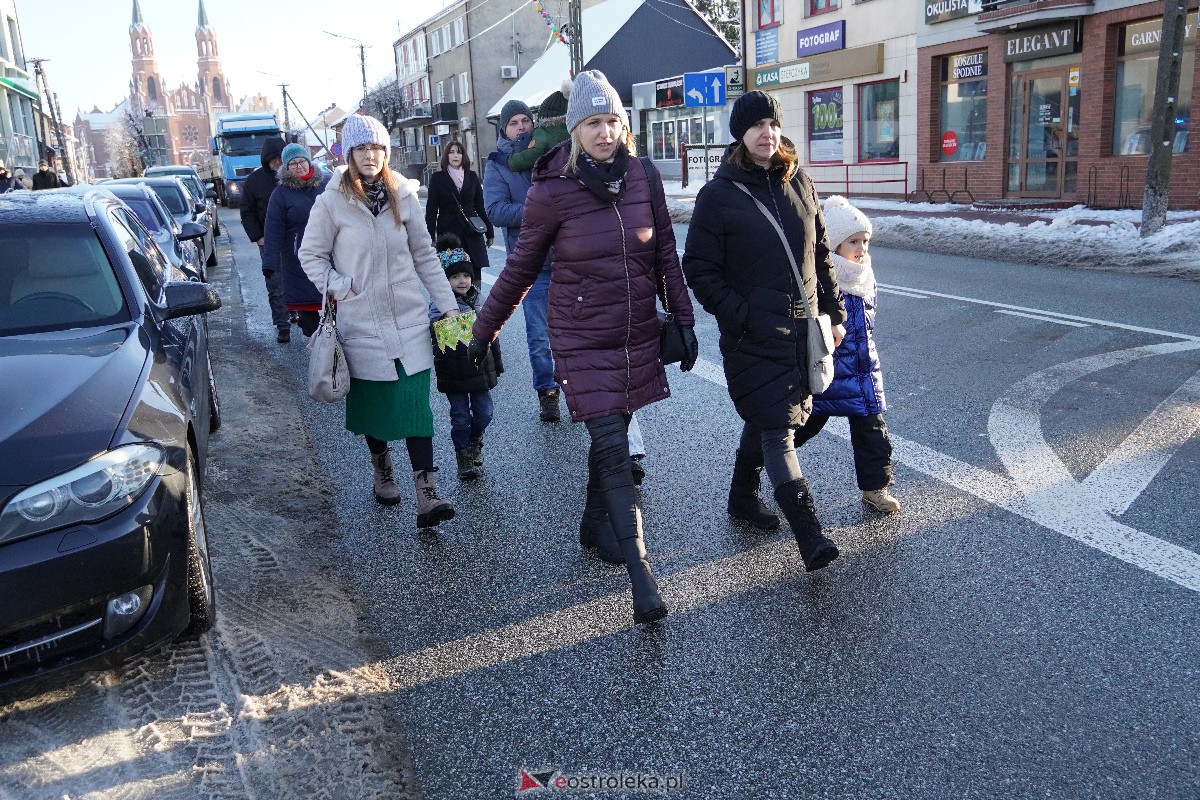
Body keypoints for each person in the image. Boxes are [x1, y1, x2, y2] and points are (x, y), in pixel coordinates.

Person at [472, 70, 698, 624]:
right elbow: (519, 269)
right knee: (614, 448)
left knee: (615, 431)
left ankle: (595, 527)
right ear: (574, 131)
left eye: (612, 121)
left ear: (624, 125)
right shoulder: (552, 192)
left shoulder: (643, 176)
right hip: (579, 336)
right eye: (592, 123)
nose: (604, 132)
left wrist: (684, 319)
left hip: (634, 330)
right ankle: (641, 574)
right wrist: (481, 334)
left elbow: (665, 251)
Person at [682, 90, 848, 573]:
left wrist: (834, 314)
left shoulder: (801, 183)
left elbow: (820, 255)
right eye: (755, 125)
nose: (766, 133)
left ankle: (741, 494)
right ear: (740, 133)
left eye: (772, 124)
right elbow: (700, 268)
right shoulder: (719, 195)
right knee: (779, 429)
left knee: (790, 416)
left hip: (804, 330)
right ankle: (810, 534)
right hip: (753, 335)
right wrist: (743, 315)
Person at [298, 114, 460, 530]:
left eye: (376, 148)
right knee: (376, 407)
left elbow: (424, 254)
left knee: (415, 405)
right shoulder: (331, 200)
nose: (370, 155)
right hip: (362, 322)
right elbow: (310, 255)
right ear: (349, 154)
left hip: (407, 318)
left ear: (386, 153)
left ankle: (427, 493)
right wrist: (342, 288)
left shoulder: (404, 195)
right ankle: (382, 466)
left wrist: (448, 305)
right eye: (361, 148)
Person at [793, 196, 900, 513]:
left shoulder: (865, 277)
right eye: (853, 241)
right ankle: (770, 461)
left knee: (873, 431)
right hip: (828, 371)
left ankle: (875, 488)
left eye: (865, 241)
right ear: (834, 245)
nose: (861, 248)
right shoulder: (824, 280)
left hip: (864, 369)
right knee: (804, 425)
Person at [484, 98, 562, 423]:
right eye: (514, 122)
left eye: (525, 121)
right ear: (504, 128)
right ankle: (548, 392)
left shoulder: (550, 150)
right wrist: (536, 212)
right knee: (540, 335)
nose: (521, 127)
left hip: (569, 258)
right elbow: (495, 209)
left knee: (576, 332)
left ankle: (583, 391)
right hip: (532, 263)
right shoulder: (498, 163)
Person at [428, 234, 503, 481]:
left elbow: (494, 335)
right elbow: (434, 333)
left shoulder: (480, 300)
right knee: (460, 417)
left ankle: (475, 438)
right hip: (454, 372)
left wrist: (498, 364)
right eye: (455, 276)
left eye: (466, 275)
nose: (462, 281)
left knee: (485, 412)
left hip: (479, 368)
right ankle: (463, 455)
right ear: (444, 280)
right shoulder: (438, 306)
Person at [263, 143, 328, 338]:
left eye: (301, 161)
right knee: (309, 319)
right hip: (297, 259)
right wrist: (270, 263)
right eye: (292, 163)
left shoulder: (328, 183)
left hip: (331, 254)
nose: (298, 166)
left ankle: (338, 355)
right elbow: (273, 229)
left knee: (337, 306)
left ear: (309, 162)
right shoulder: (280, 194)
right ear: (286, 168)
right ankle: (318, 354)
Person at [240, 136, 291, 343]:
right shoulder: (254, 181)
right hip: (269, 242)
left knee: (298, 281)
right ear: (266, 159)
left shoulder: (293, 177)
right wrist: (258, 237)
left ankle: (297, 313)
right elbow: (247, 212)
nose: (278, 162)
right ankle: (282, 326)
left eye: (281, 157)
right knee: (275, 284)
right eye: (273, 158)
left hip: (295, 240)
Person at [425, 140, 492, 286]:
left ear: (463, 156)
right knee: (452, 272)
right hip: (449, 234)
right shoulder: (438, 178)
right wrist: (430, 236)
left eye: (459, 152)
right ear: (446, 156)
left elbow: (480, 207)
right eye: (452, 152)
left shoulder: (472, 176)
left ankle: (475, 306)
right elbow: (431, 210)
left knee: (474, 273)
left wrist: (489, 231)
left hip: (472, 232)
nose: (455, 155)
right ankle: (454, 307)